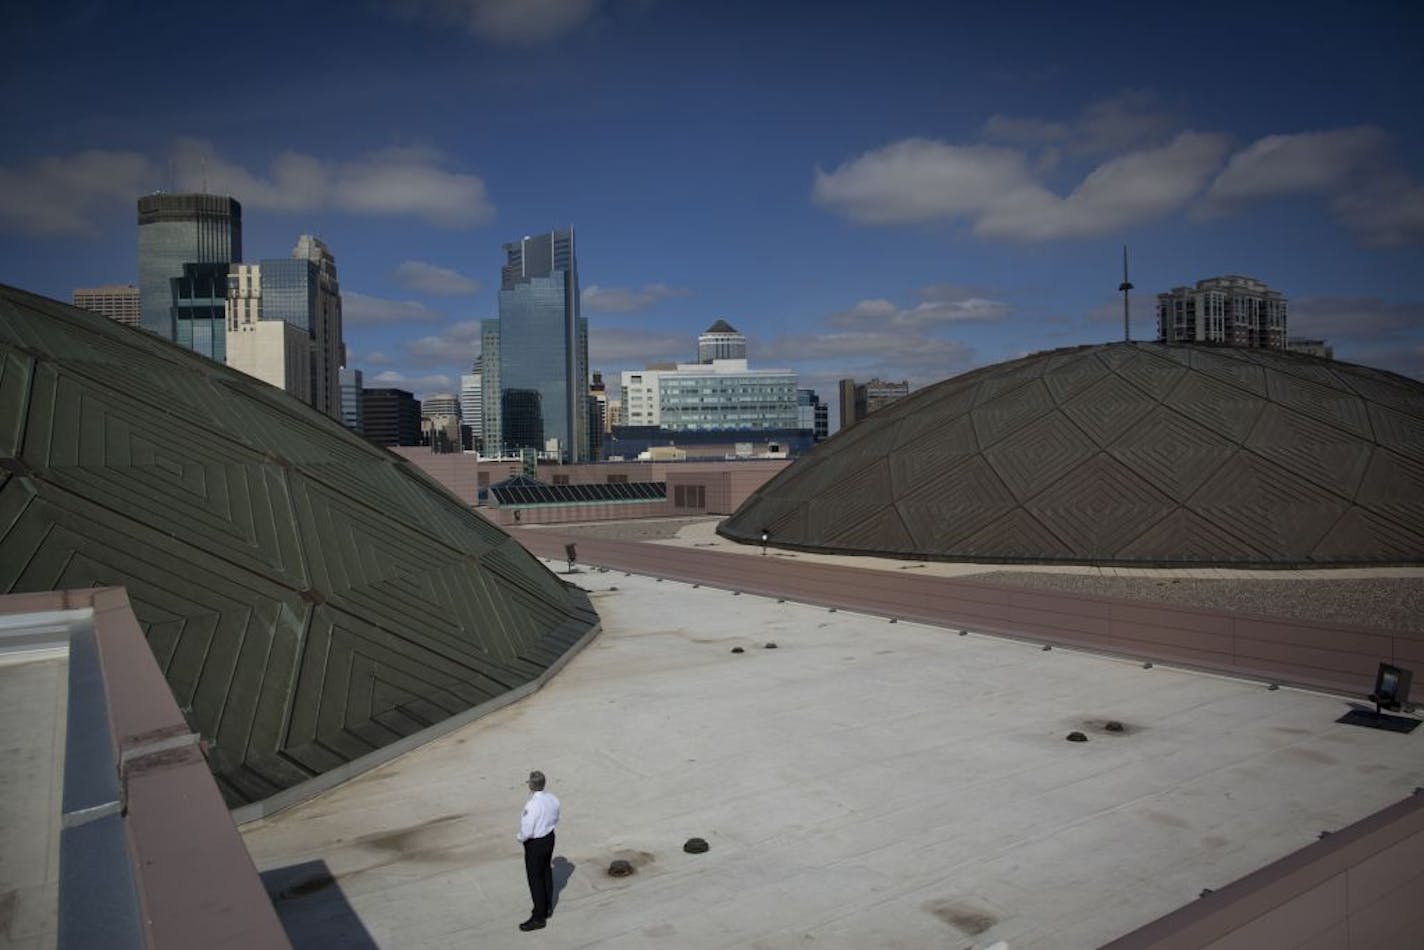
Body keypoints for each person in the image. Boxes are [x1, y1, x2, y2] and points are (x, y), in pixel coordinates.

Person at [516, 770, 561, 931]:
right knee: (546, 872)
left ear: (531, 786)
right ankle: (547, 907)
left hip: (536, 844)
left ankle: (538, 917)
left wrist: (520, 838)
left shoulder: (532, 805)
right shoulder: (552, 798)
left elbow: (526, 830)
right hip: (549, 838)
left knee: (535, 879)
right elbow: (556, 817)